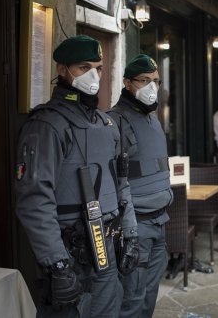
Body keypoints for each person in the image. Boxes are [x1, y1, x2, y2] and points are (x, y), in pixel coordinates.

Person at [14, 35, 139, 317]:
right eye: (84, 67)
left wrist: (130, 233)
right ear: (62, 70)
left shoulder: (106, 124)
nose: (93, 75)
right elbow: (34, 201)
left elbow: (122, 184)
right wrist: (57, 264)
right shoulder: (46, 125)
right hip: (71, 254)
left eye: (98, 67)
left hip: (107, 250)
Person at [107, 54, 173, 318]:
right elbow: (114, 182)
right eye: (144, 80)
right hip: (136, 227)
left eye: (155, 81)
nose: (151, 87)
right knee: (132, 301)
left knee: (148, 298)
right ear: (127, 82)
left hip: (160, 223)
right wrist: (128, 231)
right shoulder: (114, 121)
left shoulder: (153, 121)